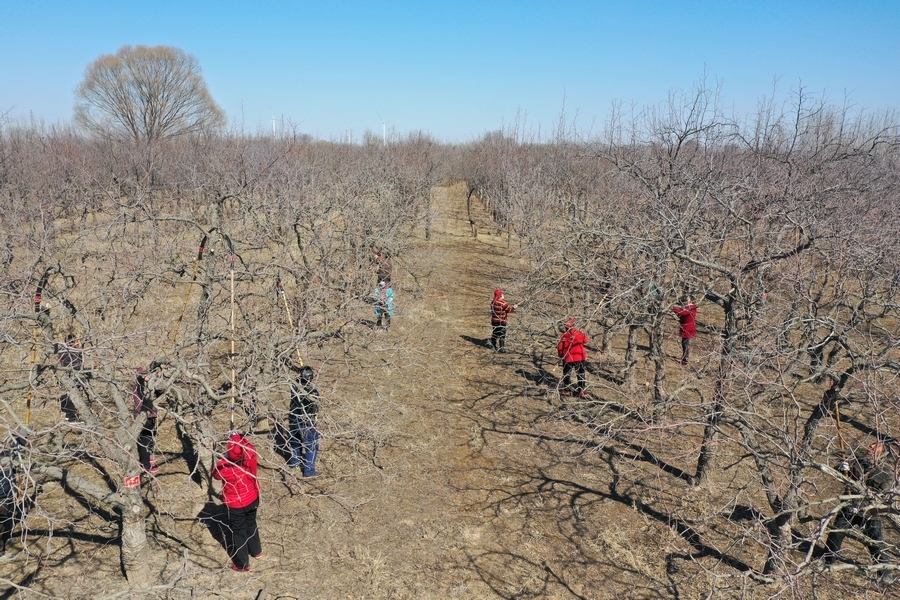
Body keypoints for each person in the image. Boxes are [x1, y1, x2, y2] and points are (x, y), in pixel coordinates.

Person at [824, 441, 895, 582]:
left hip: (869, 513)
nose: (871, 447)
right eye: (871, 444)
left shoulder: (886, 473)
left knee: (875, 543)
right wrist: (841, 467)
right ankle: (827, 561)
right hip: (849, 507)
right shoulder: (856, 462)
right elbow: (839, 474)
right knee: (836, 533)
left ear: (881, 453)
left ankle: (885, 572)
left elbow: (882, 495)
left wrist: (865, 499)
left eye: (876, 447)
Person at [212, 433, 262, 572]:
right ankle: (256, 551)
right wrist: (237, 439)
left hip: (236, 505)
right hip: (252, 497)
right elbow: (249, 447)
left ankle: (242, 564)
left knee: (239, 531)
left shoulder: (225, 467)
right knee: (251, 523)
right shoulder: (250, 457)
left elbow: (215, 474)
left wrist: (225, 457)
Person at [288, 365, 321, 477]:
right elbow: (317, 405)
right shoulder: (313, 392)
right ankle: (309, 471)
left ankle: (294, 462)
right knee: (312, 445)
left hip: (293, 419)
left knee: (295, 442)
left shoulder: (294, 386)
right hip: (305, 422)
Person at [58, 334, 89, 423]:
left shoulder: (69, 351)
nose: (79, 342)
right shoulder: (69, 353)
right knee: (71, 398)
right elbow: (74, 368)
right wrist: (87, 370)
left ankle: (72, 416)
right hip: (71, 379)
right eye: (76, 341)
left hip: (71, 378)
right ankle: (71, 418)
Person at [133, 368, 159, 473]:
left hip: (148, 415)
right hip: (145, 416)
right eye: (147, 375)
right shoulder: (141, 387)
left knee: (146, 438)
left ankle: (146, 458)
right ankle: (146, 464)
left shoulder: (141, 385)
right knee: (145, 440)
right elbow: (143, 403)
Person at [557, 318, 589, 397]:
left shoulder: (564, 336)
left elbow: (560, 347)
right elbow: (586, 340)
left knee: (566, 374)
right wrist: (583, 333)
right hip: (579, 358)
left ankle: (566, 389)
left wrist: (561, 356)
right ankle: (581, 390)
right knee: (580, 374)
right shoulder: (579, 334)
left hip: (567, 358)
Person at [671, 297, 697, 364]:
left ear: (691, 300)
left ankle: (685, 359)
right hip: (687, 327)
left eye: (687, 299)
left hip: (688, 328)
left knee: (685, 343)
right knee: (684, 343)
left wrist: (673, 308)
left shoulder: (691, 307)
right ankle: (684, 357)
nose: (685, 300)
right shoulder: (689, 307)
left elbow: (683, 313)